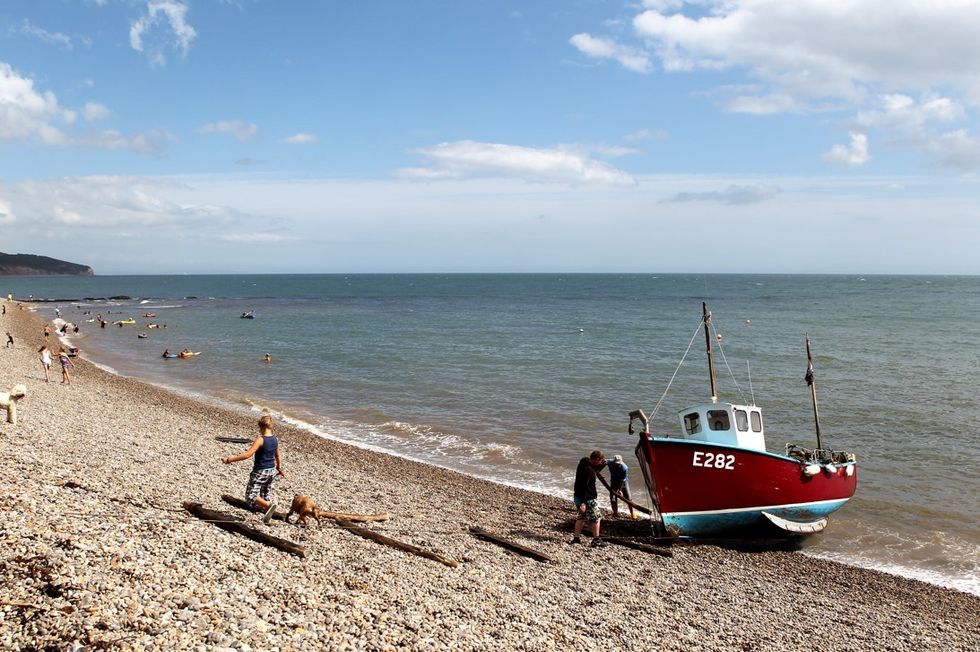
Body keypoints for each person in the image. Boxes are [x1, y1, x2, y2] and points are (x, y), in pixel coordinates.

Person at [222, 415, 283, 524]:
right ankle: (267, 518)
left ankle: (269, 506)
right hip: (271, 470)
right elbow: (277, 456)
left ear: (260, 426)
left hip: (260, 471)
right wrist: (279, 467)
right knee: (265, 493)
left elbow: (247, 454)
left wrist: (230, 459)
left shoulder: (261, 439)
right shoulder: (275, 439)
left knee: (251, 495)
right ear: (271, 426)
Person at [570, 449, 608, 547]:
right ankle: (596, 540)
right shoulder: (589, 472)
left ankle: (576, 538)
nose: (600, 462)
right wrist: (583, 503)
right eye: (600, 460)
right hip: (588, 498)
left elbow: (594, 468)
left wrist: (602, 465)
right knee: (596, 518)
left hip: (577, 496)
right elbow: (585, 487)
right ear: (596, 459)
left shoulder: (584, 461)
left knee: (581, 517)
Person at [606, 455, 637, 519]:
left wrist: (619, 490)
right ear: (614, 462)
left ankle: (632, 513)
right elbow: (603, 462)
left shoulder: (624, 468)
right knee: (613, 498)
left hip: (623, 484)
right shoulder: (610, 463)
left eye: (619, 464)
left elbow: (622, 481)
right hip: (613, 483)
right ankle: (615, 513)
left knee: (628, 498)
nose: (617, 465)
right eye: (616, 464)